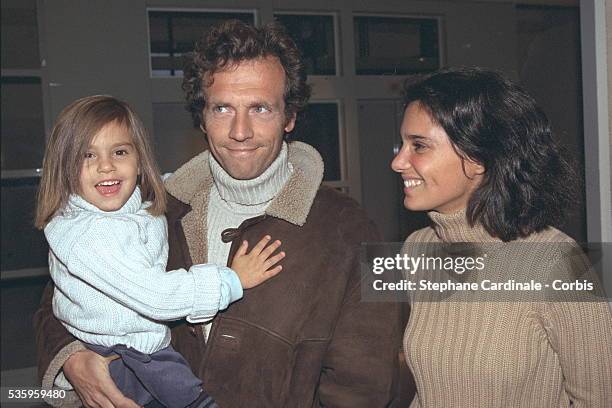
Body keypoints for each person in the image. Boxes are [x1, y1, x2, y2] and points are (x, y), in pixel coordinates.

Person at [35, 21, 400, 407]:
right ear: (202, 117)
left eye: (260, 108)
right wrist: (72, 359)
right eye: (223, 108)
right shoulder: (151, 207)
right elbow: (58, 301)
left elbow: (367, 386)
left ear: (289, 117)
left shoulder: (357, 229)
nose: (239, 131)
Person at [34, 95, 286, 407]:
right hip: (129, 360)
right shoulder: (91, 235)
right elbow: (156, 297)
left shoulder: (128, 206)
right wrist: (231, 281)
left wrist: (179, 184)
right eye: (87, 156)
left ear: (139, 160)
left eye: (120, 152)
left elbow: (147, 204)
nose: (106, 166)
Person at [392, 67, 612, 407]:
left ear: (478, 157)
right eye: (402, 144)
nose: (398, 162)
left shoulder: (560, 263)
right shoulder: (417, 249)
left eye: (418, 145)